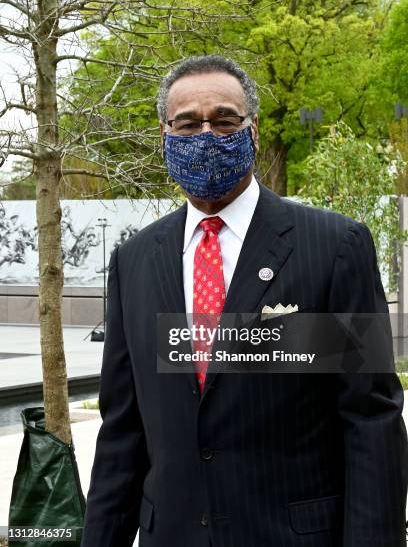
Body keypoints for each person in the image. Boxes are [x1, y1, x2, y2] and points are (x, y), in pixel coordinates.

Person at [81, 55, 408, 547]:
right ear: (166, 136)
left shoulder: (333, 246)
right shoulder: (134, 260)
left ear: (251, 130)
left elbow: (370, 419)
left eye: (224, 120)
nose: (207, 134)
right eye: (188, 124)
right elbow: (123, 431)